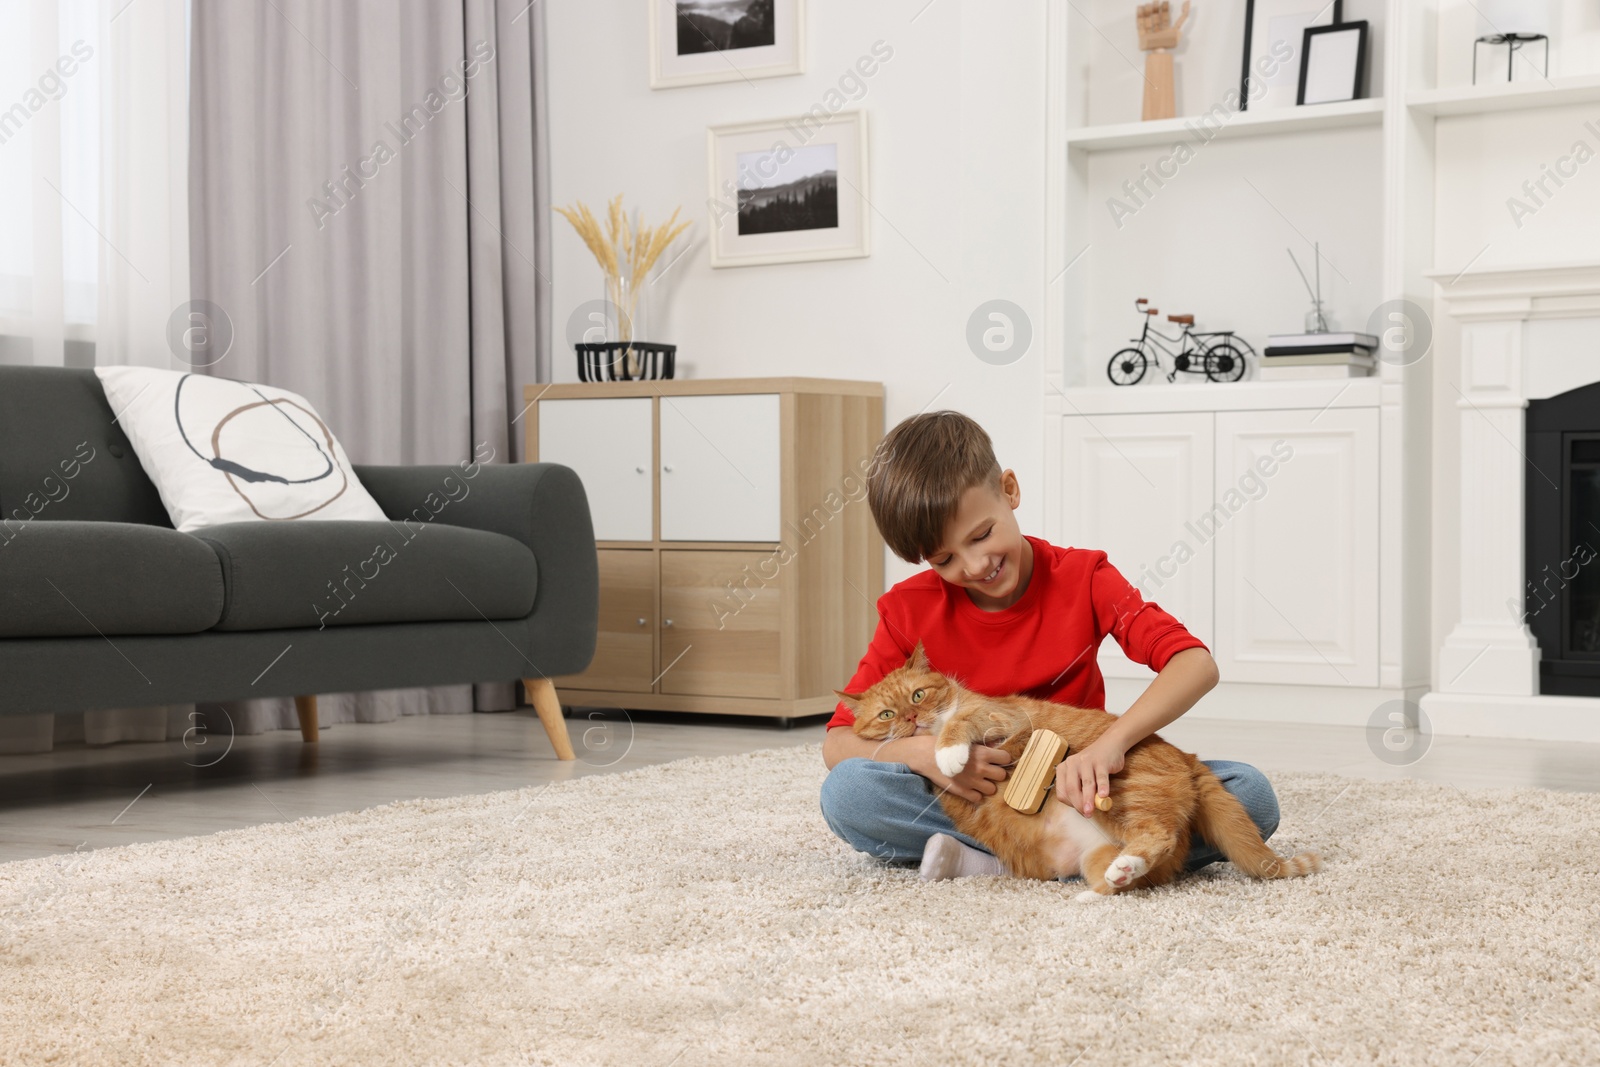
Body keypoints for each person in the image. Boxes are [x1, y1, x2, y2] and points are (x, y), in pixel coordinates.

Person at [819, 410, 1280, 882]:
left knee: (1250, 795)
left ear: (1011, 490)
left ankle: (997, 861)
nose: (976, 565)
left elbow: (1195, 664)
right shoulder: (907, 609)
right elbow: (837, 742)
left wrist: (1108, 746)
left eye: (982, 535)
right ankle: (1051, 858)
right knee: (849, 794)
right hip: (982, 796)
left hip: (1086, 789)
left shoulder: (1084, 577)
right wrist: (924, 758)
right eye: (944, 560)